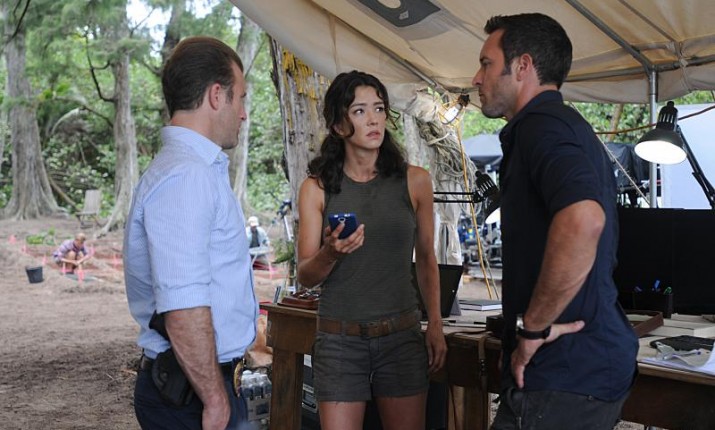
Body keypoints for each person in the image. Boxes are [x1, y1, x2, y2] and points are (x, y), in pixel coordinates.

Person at [471, 13, 638, 429]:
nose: (477, 78)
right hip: (577, 369)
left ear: (523, 66)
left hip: (564, 372)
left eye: (487, 64)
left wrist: (533, 329)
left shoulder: (542, 127)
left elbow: (583, 219)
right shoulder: (557, 126)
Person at [296, 70, 447, 430]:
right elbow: (305, 276)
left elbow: (427, 259)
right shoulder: (316, 188)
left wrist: (436, 324)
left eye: (379, 108)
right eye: (360, 111)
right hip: (339, 340)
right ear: (338, 125)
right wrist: (331, 253)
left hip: (401, 336)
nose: (374, 119)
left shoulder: (416, 181)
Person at [124, 36, 257, 430]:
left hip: (199, 384)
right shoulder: (186, 175)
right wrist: (215, 400)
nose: (243, 114)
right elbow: (182, 304)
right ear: (216, 95)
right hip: (194, 393)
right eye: (240, 98)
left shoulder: (191, 169)